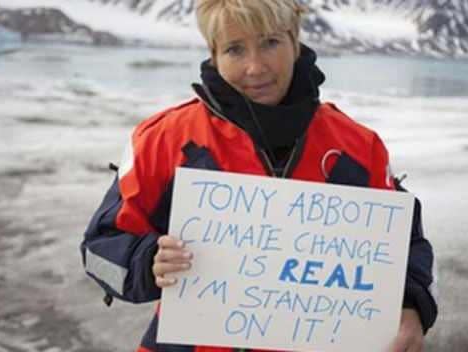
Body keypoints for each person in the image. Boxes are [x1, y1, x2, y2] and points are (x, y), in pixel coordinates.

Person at [80, 1, 438, 351]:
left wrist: (409, 305)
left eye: (270, 42)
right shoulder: (165, 140)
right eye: (235, 49)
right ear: (214, 54)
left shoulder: (358, 148)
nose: (255, 67)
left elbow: (406, 244)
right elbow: (98, 250)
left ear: (295, 43)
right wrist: (147, 263)